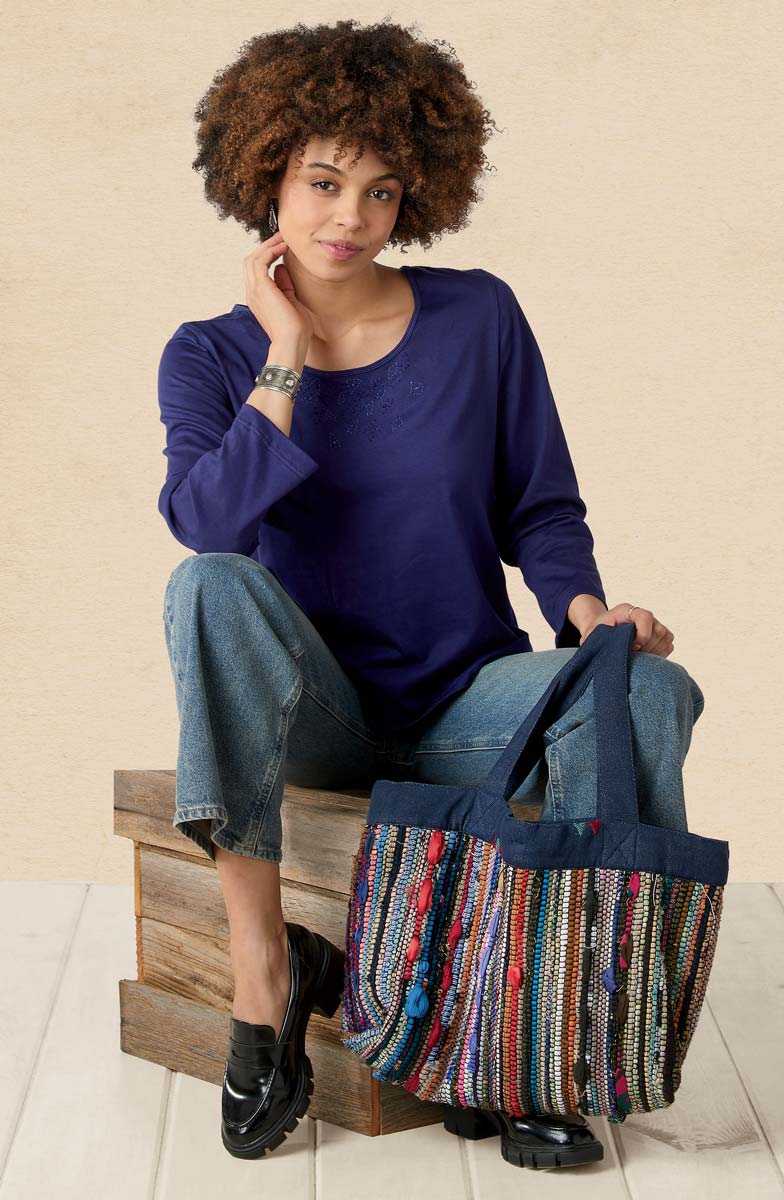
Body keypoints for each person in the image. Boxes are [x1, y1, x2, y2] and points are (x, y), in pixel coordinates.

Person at [157, 17, 705, 1168]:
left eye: (379, 190)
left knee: (652, 692)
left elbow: (541, 508)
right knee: (207, 585)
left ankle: (541, 1039)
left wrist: (584, 615)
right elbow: (209, 525)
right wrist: (285, 354)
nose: (347, 217)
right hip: (319, 712)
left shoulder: (477, 318)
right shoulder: (212, 354)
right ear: (266, 174)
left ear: (417, 198)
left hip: (465, 703)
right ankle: (268, 978)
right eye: (320, 182)